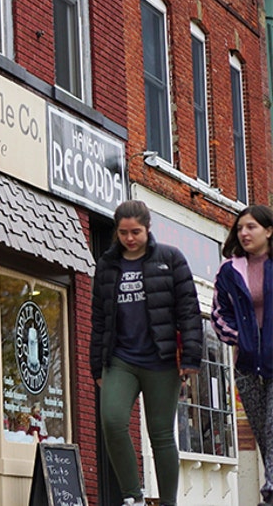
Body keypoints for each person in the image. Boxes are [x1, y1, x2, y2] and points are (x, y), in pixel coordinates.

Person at [91, 199, 202, 506]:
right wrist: (96, 367)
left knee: (161, 434)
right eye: (124, 232)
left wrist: (191, 357)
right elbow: (98, 318)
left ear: (147, 229)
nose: (129, 238)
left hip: (161, 360)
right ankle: (132, 496)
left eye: (136, 232)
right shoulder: (107, 266)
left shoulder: (171, 258)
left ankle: (168, 502)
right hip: (120, 359)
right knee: (112, 421)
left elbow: (189, 311)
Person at [212, 205, 273, 505]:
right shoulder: (229, 271)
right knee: (263, 431)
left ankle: (271, 491)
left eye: (251, 227)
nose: (244, 233)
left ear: (269, 230)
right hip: (247, 364)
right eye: (240, 229)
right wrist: (242, 340)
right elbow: (219, 315)